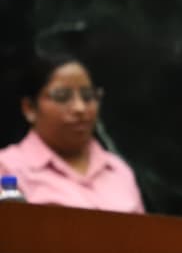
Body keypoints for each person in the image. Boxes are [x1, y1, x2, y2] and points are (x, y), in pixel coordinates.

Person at [0, 53, 144, 213]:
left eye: (88, 96)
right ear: (30, 108)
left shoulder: (119, 170)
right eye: (62, 97)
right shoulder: (7, 168)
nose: (80, 108)